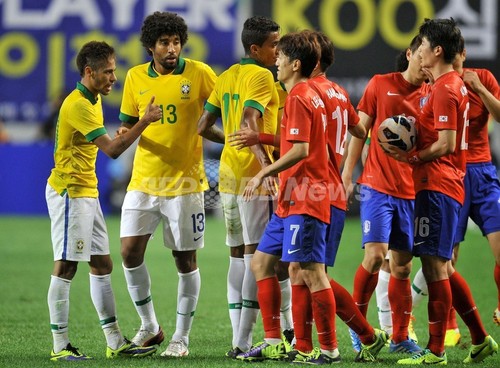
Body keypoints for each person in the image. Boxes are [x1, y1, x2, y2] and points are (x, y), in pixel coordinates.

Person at [46, 40, 162, 361]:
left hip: (87, 192)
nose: (114, 77)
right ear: (89, 71)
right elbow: (111, 150)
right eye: (108, 72)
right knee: (67, 265)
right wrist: (144, 120)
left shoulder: (93, 97)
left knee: (102, 264)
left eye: (114, 71)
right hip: (70, 192)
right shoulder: (79, 105)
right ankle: (60, 346)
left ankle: (114, 341)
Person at [392, 18, 497, 365]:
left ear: (437, 50)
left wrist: (413, 156)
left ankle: (435, 351)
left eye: (422, 46)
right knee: (443, 268)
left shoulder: (446, 88)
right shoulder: (444, 84)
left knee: (436, 267)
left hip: (439, 184)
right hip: (440, 184)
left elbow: (448, 143)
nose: (417, 52)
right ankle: (480, 339)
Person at [233, 31, 339, 364]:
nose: (275, 62)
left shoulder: (299, 96)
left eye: (281, 57)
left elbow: (301, 150)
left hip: (307, 194)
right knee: (262, 262)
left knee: (310, 271)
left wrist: (264, 172)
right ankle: (273, 340)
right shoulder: (308, 92)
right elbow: (296, 139)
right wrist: (261, 137)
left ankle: (329, 349)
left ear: (295, 64)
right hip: (292, 197)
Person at [118, 11, 217, 358]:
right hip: (143, 180)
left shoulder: (200, 73)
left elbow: (219, 109)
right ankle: (149, 326)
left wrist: (222, 134)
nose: (172, 48)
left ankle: (181, 338)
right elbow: (127, 126)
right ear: (150, 47)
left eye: (176, 41)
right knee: (129, 252)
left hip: (185, 183)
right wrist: (135, 127)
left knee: (185, 260)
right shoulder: (134, 78)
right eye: (164, 42)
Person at [197, 16, 281, 357]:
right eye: (274, 45)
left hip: (229, 175)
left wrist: (230, 144)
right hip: (251, 178)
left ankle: (238, 337)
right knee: (256, 256)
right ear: (255, 48)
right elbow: (250, 121)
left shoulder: (227, 75)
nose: (278, 52)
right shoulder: (261, 76)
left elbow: (203, 126)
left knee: (238, 253)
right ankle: (243, 341)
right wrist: (267, 168)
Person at [341, 35, 426, 355]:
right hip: (377, 187)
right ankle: (359, 330)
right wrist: (348, 174)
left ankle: (400, 336)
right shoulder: (380, 84)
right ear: (409, 54)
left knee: (402, 267)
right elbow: (359, 132)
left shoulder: (432, 94)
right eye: (419, 54)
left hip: (413, 191)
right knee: (375, 255)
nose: (424, 62)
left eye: (428, 56)